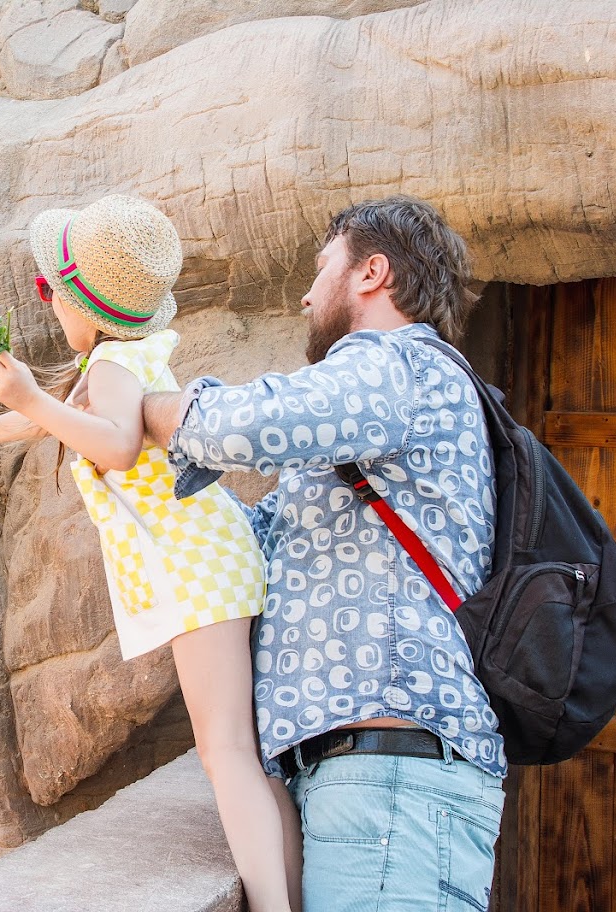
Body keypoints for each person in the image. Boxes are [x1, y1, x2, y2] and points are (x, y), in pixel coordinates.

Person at [141, 195, 506, 912]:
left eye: (321, 268)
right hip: (366, 784)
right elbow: (252, 544)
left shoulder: (398, 363)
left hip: (391, 788)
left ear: (372, 272)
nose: (308, 295)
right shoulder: (387, 410)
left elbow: (234, 427)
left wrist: (143, 406)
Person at [0, 195, 296, 912]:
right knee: (247, 755)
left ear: (83, 302)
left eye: (50, 292)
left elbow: (116, 444)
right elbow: (70, 417)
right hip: (216, 557)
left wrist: (30, 399)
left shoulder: (108, 366)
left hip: (198, 570)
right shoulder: (120, 358)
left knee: (226, 753)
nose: (47, 307)